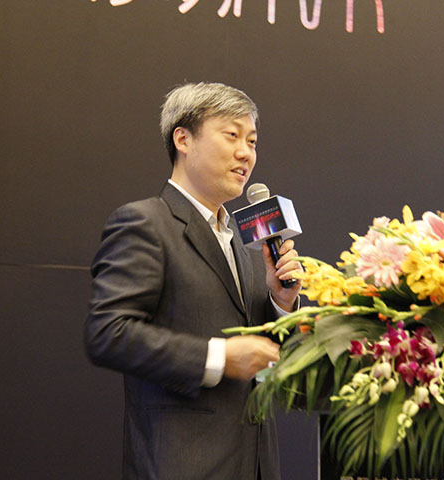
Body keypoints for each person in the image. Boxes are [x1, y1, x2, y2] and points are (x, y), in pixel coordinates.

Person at [85, 82, 301, 480]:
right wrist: (219, 357)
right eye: (232, 135)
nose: (246, 153)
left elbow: (265, 362)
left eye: (252, 141)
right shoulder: (145, 223)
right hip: (182, 465)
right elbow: (108, 334)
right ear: (183, 139)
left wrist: (280, 302)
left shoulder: (243, 242)